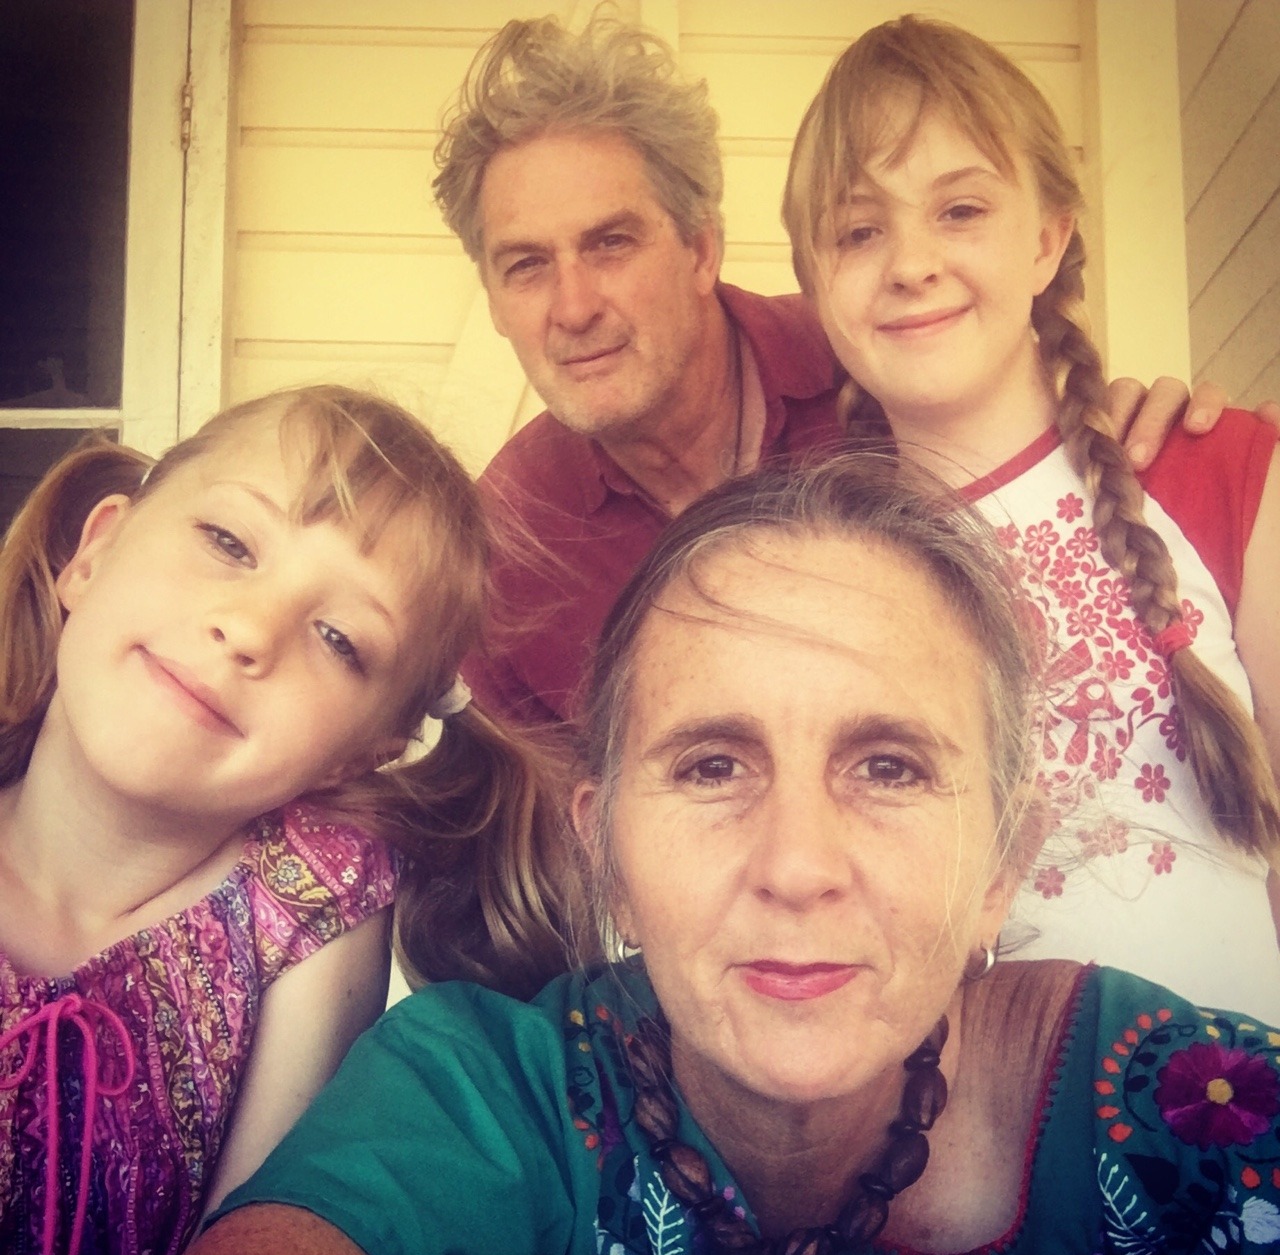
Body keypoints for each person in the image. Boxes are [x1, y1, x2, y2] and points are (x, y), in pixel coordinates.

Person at [170, 453, 1280, 1255]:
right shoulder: (476, 1093)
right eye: (711, 766)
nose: (796, 866)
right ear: (606, 848)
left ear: (1001, 863)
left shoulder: (1194, 1105)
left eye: (888, 767)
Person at [432, 12, 1249, 732]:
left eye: (612, 243)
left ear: (701, 250)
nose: (573, 307)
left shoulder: (882, 361)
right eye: (526, 265)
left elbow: (1043, 441)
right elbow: (522, 834)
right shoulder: (504, 550)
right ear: (493, 300)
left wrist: (1184, 453)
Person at [0, 386, 572, 1255]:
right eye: (229, 542)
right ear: (95, 552)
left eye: (339, 638)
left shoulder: (309, 907)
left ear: (363, 755)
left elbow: (255, 1244)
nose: (250, 631)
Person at [778, 16, 1280, 1022]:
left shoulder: (1220, 469)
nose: (910, 262)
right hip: (955, 1108)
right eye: (859, 230)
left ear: (1047, 238)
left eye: (959, 209)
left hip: (1228, 1100)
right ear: (813, 281)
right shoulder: (814, 563)